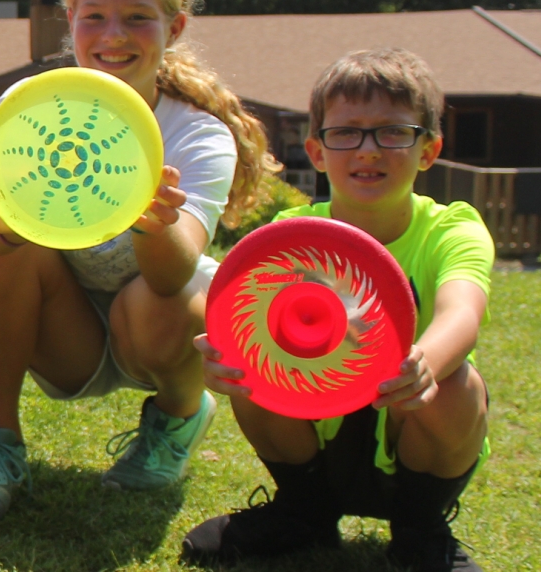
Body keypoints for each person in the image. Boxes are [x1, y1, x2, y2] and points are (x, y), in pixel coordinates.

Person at [0, 0, 279, 522]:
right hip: (67, 336)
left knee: (177, 294)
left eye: (137, 18)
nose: (113, 35)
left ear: (173, 29)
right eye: (93, 16)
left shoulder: (199, 135)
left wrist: (151, 219)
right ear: (69, 20)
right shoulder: (29, 107)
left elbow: (173, 277)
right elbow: (8, 242)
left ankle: (177, 417)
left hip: (157, 327)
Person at [182, 48, 491, 572]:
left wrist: (424, 366)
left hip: (411, 434)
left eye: (393, 132)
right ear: (317, 152)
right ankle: (305, 512)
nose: (367, 150)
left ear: (429, 149)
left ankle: (420, 534)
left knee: (457, 383)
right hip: (315, 437)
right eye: (346, 133)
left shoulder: (452, 229)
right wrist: (218, 359)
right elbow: (235, 319)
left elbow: (463, 312)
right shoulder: (286, 239)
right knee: (246, 358)